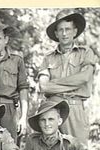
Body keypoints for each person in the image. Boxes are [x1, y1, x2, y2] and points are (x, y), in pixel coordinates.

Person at [38, 10, 96, 143]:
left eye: (68, 29)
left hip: (75, 109)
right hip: (52, 109)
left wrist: (55, 84)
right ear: (56, 33)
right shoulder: (48, 58)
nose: (64, 33)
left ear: (74, 32)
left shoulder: (85, 53)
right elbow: (44, 86)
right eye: (61, 30)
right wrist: (73, 85)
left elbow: (84, 78)